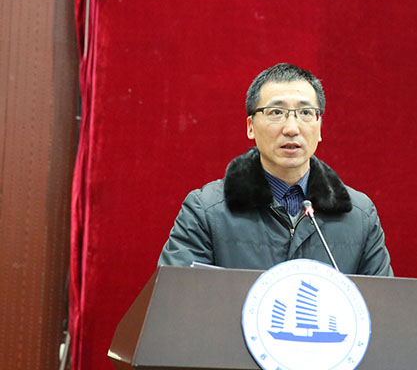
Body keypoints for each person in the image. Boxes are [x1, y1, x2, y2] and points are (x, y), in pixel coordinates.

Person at [158, 63, 393, 276]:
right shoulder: (207, 211)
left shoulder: (360, 215)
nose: (291, 128)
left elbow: (382, 305)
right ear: (250, 127)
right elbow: (176, 300)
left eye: (305, 113)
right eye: (276, 113)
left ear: (320, 127)